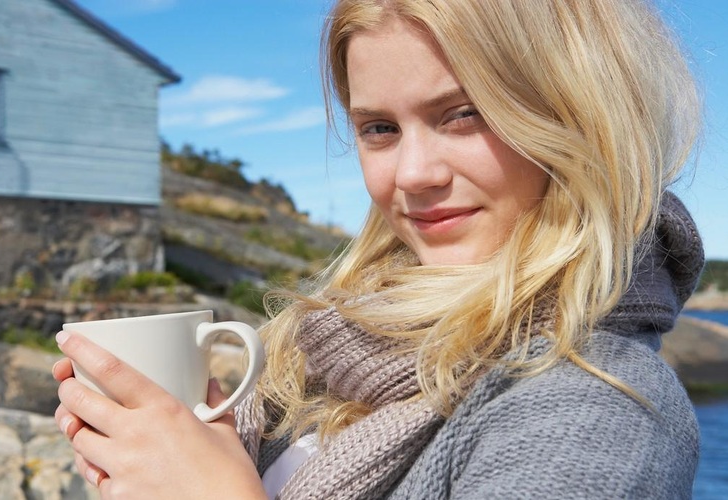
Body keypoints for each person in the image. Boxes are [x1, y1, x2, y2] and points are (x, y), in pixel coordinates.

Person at [52, 0, 704, 497]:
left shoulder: (598, 407)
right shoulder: (325, 355)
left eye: (464, 113)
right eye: (380, 128)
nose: (413, 174)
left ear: (577, 115)